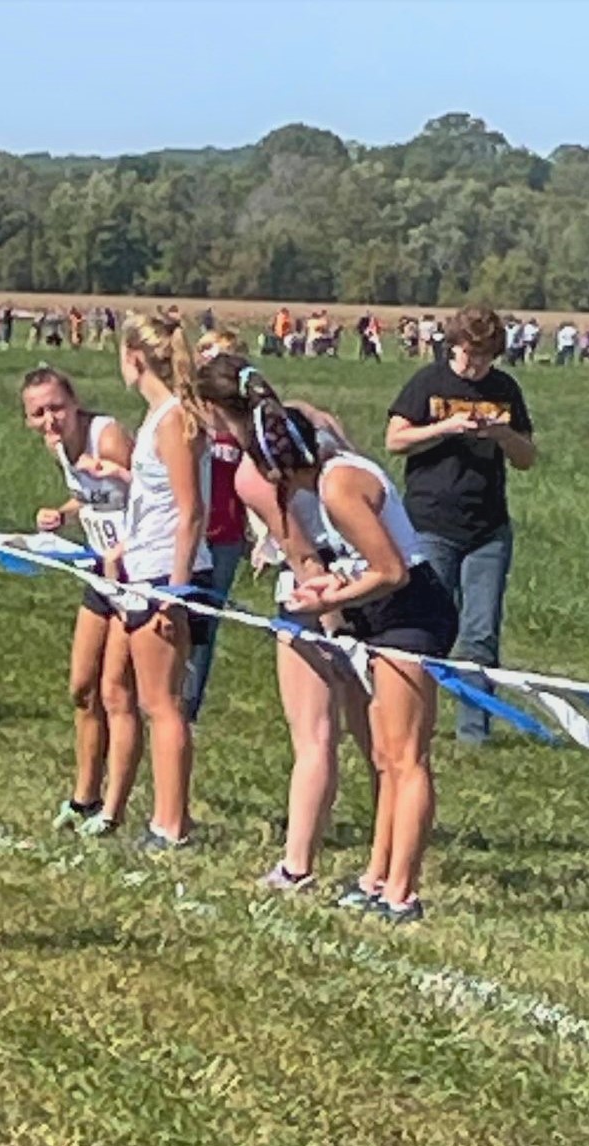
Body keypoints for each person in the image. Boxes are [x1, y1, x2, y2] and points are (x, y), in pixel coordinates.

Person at [240, 384, 457, 921]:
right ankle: (376, 877)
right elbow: (367, 566)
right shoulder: (332, 477)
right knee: (385, 757)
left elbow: (393, 571)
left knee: (406, 759)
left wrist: (332, 595)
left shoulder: (338, 487)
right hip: (382, 613)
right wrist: (326, 588)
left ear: (280, 471)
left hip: (412, 615)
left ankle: (401, 894)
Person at [196, 353, 373, 891]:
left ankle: (297, 866)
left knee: (315, 737)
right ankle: (387, 865)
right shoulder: (313, 420)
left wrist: (336, 625)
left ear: (210, 409)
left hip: (317, 598)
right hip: (376, 578)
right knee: (381, 745)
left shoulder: (252, 471)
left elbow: (305, 559)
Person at [386, 306, 535, 745]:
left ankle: (475, 733)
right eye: (470, 355)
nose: (476, 366)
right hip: (431, 523)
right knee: (427, 628)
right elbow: (395, 440)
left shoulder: (505, 389)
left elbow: (527, 458)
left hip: (488, 529)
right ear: (453, 345)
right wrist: (447, 426)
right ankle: (416, 724)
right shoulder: (428, 383)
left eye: (485, 358)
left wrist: (504, 435)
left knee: (481, 632)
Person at [22, 365, 140, 837]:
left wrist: (123, 550)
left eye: (56, 408)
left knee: (116, 692)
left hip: (137, 573)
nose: (50, 420)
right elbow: (93, 497)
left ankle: (112, 809)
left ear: (74, 402)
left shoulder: (104, 435)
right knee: (81, 687)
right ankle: (83, 797)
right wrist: (62, 514)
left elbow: (154, 495)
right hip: (100, 572)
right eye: (38, 414)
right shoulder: (59, 447)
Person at [108, 314, 211, 851]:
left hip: (165, 576)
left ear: (135, 358)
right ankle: (162, 816)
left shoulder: (173, 419)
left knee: (163, 703)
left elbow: (191, 511)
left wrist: (174, 589)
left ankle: (171, 824)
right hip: (142, 565)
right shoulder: (156, 418)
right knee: (142, 697)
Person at [181, 328, 249, 722]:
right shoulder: (186, 412)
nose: (207, 358)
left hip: (225, 533)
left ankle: (190, 705)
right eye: (204, 351)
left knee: (205, 623)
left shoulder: (242, 419)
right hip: (187, 528)